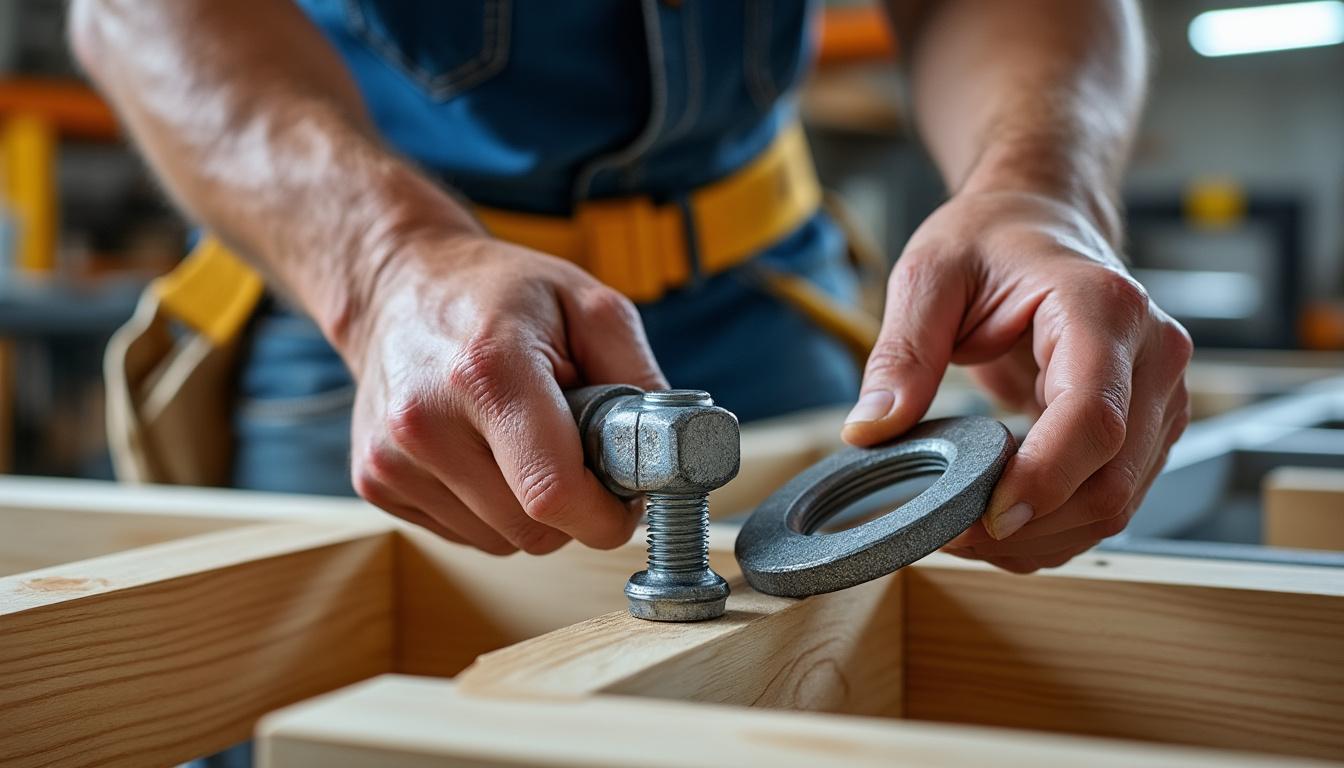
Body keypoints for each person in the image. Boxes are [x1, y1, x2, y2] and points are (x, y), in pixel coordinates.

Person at [73, 0, 1191, 575]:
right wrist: (377, 268)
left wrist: (1041, 188)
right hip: (393, 322)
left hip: (759, 283)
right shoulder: (382, 288)